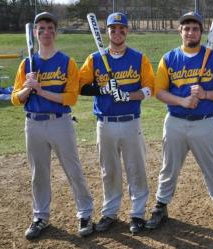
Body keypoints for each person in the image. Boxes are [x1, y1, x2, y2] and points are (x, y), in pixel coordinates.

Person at [145, 11, 213, 232]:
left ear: (201, 32)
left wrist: (206, 95)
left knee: (211, 169)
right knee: (168, 168)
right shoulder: (169, 58)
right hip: (175, 121)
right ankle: (160, 207)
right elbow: (159, 91)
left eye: (195, 28)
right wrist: (182, 101)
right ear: (180, 31)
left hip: (205, 122)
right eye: (186, 28)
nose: (191, 32)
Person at [11, 12, 94, 239]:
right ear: (35, 34)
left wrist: (40, 89)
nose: (45, 32)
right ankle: (40, 217)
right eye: (41, 29)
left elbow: (70, 98)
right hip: (33, 123)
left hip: (60, 122)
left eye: (50, 28)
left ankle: (85, 213)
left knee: (73, 169)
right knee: (38, 173)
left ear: (55, 33)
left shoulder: (66, 62)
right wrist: (28, 87)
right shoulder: (27, 64)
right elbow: (15, 99)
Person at [79, 12, 154, 234]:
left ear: (127, 31)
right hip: (105, 122)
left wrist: (128, 96)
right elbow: (80, 87)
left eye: (122, 29)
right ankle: (109, 212)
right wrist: (102, 89)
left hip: (131, 122)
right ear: (107, 31)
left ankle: (138, 214)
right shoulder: (95, 58)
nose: (117, 32)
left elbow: (150, 88)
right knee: (108, 170)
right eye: (113, 29)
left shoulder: (139, 58)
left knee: (136, 169)